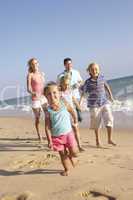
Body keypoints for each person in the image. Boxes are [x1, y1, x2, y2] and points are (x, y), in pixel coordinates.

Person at [44, 82, 78, 176]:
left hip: (68, 133)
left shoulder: (64, 104)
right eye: (49, 94)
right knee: (62, 154)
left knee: (75, 152)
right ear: (46, 97)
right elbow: (47, 127)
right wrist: (49, 140)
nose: (52, 95)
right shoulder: (48, 111)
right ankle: (66, 169)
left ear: (59, 93)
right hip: (57, 137)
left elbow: (72, 111)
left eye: (54, 92)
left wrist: (75, 120)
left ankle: (71, 156)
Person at [80, 63, 116, 147]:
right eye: (92, 69)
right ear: (89, 71)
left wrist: (110, 96)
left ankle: (109, 139)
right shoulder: (88, 82)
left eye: (96, 69)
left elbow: (106, 86)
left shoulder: (102, 78)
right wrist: (80, 102)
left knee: (109, 118)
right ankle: (97, 140)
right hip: (94, 105)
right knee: (96, 123)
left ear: (99, 70)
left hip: (104, 102)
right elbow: (83, 92)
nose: (94, 71)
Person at [59, 75, 84, 152]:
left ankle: (79, 145)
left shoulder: (70, 91)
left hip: (72, 112)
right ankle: (66, 147)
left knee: (76, 129)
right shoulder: (60, 93)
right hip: (64, 114)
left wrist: (79, 107)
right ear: (61, 84)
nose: (66, 86)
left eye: (68, 84)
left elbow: (74, 99)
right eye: (65, 84)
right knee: (66, 131)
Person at [27, 58, 47, 142]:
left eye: (36, 63)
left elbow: (44, 86)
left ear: (38, 64)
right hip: (35, 99)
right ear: (31, 65)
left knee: (48, 116)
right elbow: (28, 88)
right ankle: (39, 134)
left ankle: (48, 133)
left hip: (43, 98)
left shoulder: (42, 74)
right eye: (33, 63)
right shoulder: (30, 75)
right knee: (38, 118)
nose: (35, 65)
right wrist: (33, 93)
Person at [57, 57, 83, 122]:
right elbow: (58, 87)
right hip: (67, 97)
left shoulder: (76, 72)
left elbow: (81, 81)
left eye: (70, 64)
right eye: (67, 64)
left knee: (80, 116)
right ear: (64, 65)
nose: (69, 65)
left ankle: (76, 123)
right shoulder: (60, 75)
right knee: (71, 115)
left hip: (76, 96)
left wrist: (77, 85)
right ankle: (73, 126)